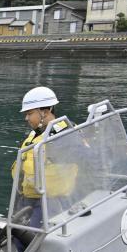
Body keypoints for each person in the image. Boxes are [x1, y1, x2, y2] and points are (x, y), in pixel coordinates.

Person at [14, 86, 75, 233]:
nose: (26, 118)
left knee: (34, 241)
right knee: (18, 237)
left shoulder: (63, 136)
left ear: (45, 112)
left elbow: (87, 159)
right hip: (28, 199)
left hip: (50, 202)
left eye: (29, 113)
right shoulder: (36, 134)